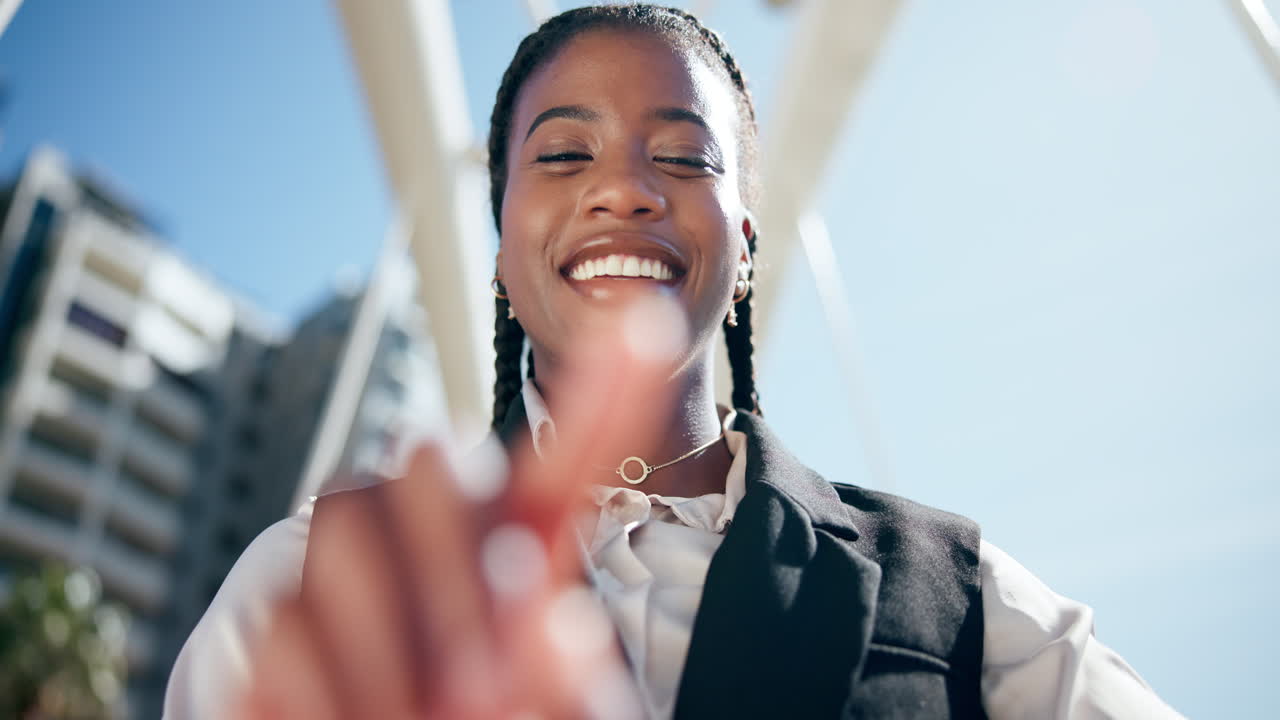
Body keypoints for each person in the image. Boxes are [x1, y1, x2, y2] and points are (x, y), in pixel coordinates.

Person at [165, 5, 1185, 719]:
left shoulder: (963, 601)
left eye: (684, 156)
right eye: (564, 155)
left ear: (746, 250)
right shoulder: (318, 581)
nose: (623, 190)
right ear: (500, 261)